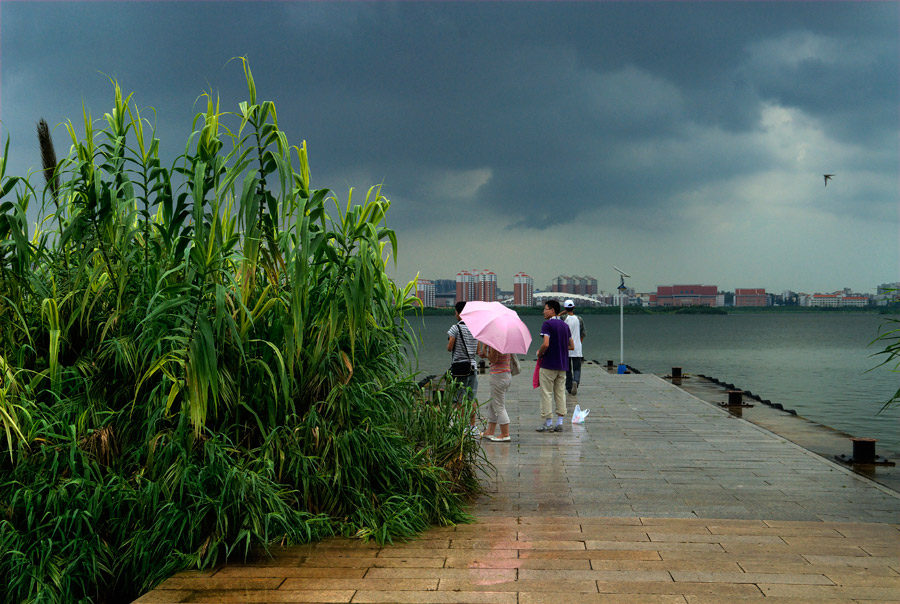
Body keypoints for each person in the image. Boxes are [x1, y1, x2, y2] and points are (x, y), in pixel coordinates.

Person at [536, 300, 574, 432]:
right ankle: (560, 422)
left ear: (552, 310)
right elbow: (572, 346)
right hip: (563, 364)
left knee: (546, 393)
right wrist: (560, 347)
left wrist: (539, 353)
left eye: (545, 309)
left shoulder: (547, 324)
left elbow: (546, 343)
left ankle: (548, 422)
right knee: (560, 393)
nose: (543, 311)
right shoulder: (564, 325)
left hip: (549, 364)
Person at [447, 301, 479, 435]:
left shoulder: (455, 328)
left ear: (460, 313)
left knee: (460, 399)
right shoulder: (475, 328)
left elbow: (449, 348)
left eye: (456, 312)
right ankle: (472, 426)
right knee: (471, 398)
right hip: (473, 367)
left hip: (460, 368)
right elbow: (477, 350)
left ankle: (461, 426)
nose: (455, 314)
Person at [481, 345, 511, 442]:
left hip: (498, 376)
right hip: (505, 374)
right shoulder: (505, 341)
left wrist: (485, 351)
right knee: (491, 404)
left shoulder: (495, 343)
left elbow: (494, 359)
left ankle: (505, 434)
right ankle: (490, 431)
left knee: (499, 406)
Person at [560, 299, 586, 395]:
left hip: (565, 347)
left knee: (567, 369)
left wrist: (563, 312)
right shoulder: (579, 319)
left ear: (565, 308)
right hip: (577, 348)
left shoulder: (562, 318)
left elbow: (555, 318)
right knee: (577, 368)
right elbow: (583, 334)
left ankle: (569, 387)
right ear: (574, 307)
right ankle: (576, 382)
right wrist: (578, 342)